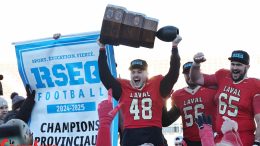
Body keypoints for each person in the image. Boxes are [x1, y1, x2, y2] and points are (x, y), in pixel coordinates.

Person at [98, 35, 182, 146]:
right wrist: (102, 49)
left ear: (147, 73)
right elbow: (105, 76)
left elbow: (173, 74)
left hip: (153, 133)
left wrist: (174, 47)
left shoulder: (156, 85)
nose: (136, 74)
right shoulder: (124, 87)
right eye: (133, 72)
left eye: (139, 71)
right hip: (131, 136)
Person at [190, 50, 260, 146]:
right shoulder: (223, 76)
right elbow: (196, 79)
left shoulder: (255, 85)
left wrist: (257, 142)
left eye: (239, 65)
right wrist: (196, 64)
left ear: (247, 67)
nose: (235, 68)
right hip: (220, 137)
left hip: (242, 138)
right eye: (233, 64)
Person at [162, 61, 217, 146]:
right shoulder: (178, 95)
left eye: (192, 72)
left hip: (211, 140)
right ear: (183, 75)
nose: (190, 75)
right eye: (187, 73)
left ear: (199, 72)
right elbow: (166, 121)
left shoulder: (211, 90)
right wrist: (163, 101)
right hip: (189, 142)